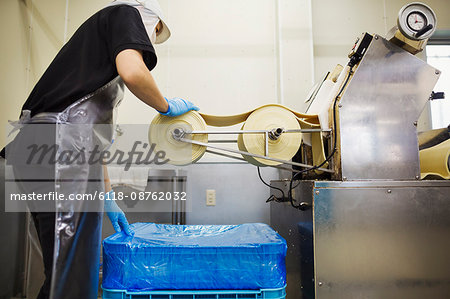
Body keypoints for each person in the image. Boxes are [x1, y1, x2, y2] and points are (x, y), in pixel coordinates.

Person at [2, 0, 198, 298]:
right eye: (154, 32)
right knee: (70, 275)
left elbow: (92, 140)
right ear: (150, 18)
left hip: (51, 148)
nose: (150, 42)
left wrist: (107, 196)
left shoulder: (93, 63)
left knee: (66, 269)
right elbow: (133, 73)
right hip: (59, 146)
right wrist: (166, 105)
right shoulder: (126, 13)